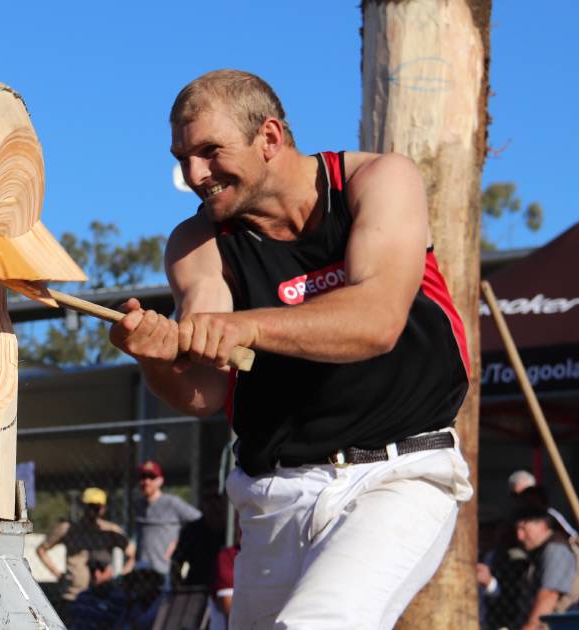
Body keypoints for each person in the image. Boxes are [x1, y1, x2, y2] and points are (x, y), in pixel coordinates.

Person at [108, 69, 473, 628]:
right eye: (182, 156)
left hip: (396, 476)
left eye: (210, 151)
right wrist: (153, 357)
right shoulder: (197, 243)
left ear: (270, 138)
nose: (193, 174)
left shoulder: (378, 180)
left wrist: (245, 328)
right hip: (274, 498)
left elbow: (376, 322)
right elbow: (205, 390)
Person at [36, 486, 135, 613]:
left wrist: (119, 578)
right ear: (83, 506)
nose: (92, 511)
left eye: (96, 507)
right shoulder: (69, 529)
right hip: (73, 594)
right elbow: (41, 550)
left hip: (102, 594)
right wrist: (58, 574)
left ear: (103, 509)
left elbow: (132, 554)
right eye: (89, 506)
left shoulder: (110, 531)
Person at [132, 460, 202, 577]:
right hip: (141, 570)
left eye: (151, 477)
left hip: (164, 570)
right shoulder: (138, 505)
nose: (146, 481)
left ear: (160, 480)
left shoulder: (171, 502)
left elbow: (199, 521)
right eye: (143, 477)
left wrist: (179, 543)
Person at [169, 490, 228, 586]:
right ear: (201, 504)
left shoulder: (234, 530)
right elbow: (177, 561)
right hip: (197, 588)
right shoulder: (191, 530)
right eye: (208, 498)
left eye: (217, 497)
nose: (213, 503)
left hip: (228, 588)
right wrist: (177, 586)